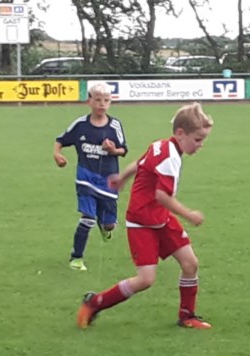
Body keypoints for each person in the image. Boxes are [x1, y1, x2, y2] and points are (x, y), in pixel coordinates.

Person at [76, 103, 214, 330]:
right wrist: (189, 214)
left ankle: (187, 316)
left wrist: (122, 177)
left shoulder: (162, 145)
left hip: (160, 218)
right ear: (180, 133)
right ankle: (94, 303)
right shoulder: (169, 157)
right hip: (141, 221)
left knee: (190, 264)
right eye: (198, 139)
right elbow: (162, 196)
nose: (201, 145)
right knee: (145, 279)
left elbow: (139, 165)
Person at [54, 81, 127, 271]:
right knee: (88, 218)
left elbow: (123, 150)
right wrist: (57, 154)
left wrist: (113, 150)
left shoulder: (115, 125)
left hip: (108, 180)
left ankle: (106, 227)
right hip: (85, 178)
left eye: (106, 100)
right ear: (89, 101)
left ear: (110, 102)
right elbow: (60, 140)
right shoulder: (80, 125)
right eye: (98, 100)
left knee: (109, 224)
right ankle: (76, 258)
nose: (102, 104)